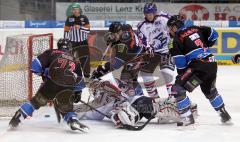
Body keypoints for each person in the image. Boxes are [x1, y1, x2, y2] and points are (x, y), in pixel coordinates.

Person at [9, 39, 87, 132]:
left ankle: (18, 116)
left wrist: (44, 73)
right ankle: (73, 120)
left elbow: (34, 67)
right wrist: (78, 92)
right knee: (65, 106)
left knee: (35, 102)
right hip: (68, 87)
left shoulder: (51, 52)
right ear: (70, 48)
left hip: (52, 84)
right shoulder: (75, 59)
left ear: (58, 46)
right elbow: (79, 80)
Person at [167, 15, 231, 126]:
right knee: (210, 90)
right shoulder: (196, 28)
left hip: (199, 66)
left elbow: (181, 65)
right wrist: (207, 44)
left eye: (169, 28)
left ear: (174, 27)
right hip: (212, 63)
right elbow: (214, 33)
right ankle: (224, 115)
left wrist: (182, 79)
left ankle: (187, 117)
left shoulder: (175, 39)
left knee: (177, 88)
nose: (169, 31)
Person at [92, 22, 144, 97]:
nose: (112, 36)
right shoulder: (125, 29)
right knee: (130, 79)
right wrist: (113, 39)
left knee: (126, 78)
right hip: (136, 54)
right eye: (111, 34)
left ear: (120, 32)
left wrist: (102, 70)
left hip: (136, 57)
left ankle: (137, 97)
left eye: (113, 34)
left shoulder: (125, 42)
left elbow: (115, 64)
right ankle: (139, 95)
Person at [137, 3, 175, 98]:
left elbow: (175, 26)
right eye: (146, 14)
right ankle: (155, 99)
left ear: (154, 12)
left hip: (167, 51)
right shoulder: (141, 25)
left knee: (167, 73)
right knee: (145, 74)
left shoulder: (164, 17)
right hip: (153, 53)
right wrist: (148, 46)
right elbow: (142, 39)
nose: (148, 16)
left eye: (150, 13)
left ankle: (173, 99)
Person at [64, 2, 91, 79]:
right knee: (68, 58)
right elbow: (66, 31)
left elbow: (88, 31)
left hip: (83, 42)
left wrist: (80, 27)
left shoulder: (84, 18)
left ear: (79, 10)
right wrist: (66, 41)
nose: (75, 11)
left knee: (85, 58)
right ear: (72, 11)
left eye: (76, 9)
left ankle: (86, 75)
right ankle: (68, 73)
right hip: (72, 42)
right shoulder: (69, 19)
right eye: (74, 9)